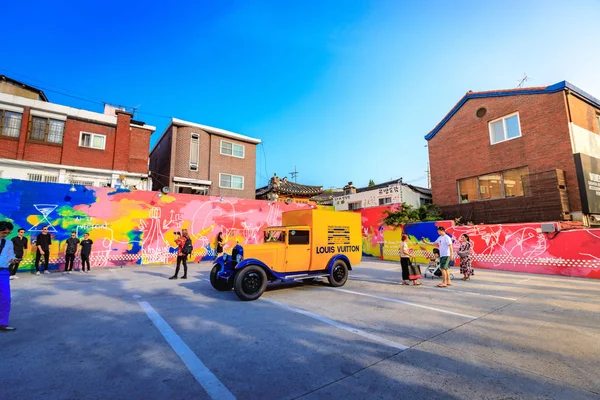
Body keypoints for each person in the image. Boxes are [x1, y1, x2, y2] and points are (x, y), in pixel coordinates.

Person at [0, 220, 18, 331]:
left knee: (5, 298)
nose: (6, 235)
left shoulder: (8, 243)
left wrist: (13, 259)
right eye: (3, 233)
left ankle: (2, 323)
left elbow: (10, 255)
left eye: (8, 233)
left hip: (3, 272)